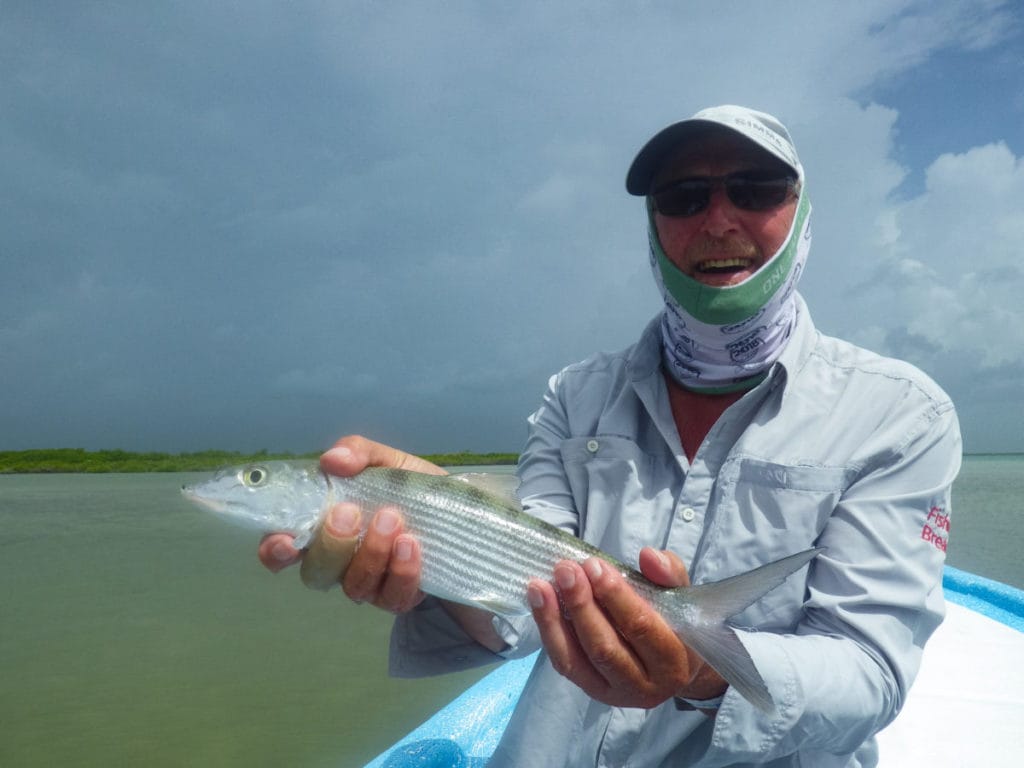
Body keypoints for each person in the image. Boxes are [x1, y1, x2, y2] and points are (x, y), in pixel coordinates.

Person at [259, 105, 962, 767]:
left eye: (756, 188)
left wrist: (701, 664)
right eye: (683, 197)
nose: (718, 219)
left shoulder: (900, 416)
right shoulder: (575, 397)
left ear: (803, 211)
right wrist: (437, 541)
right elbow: (522, 612)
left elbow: (870, 673)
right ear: (653, 226)